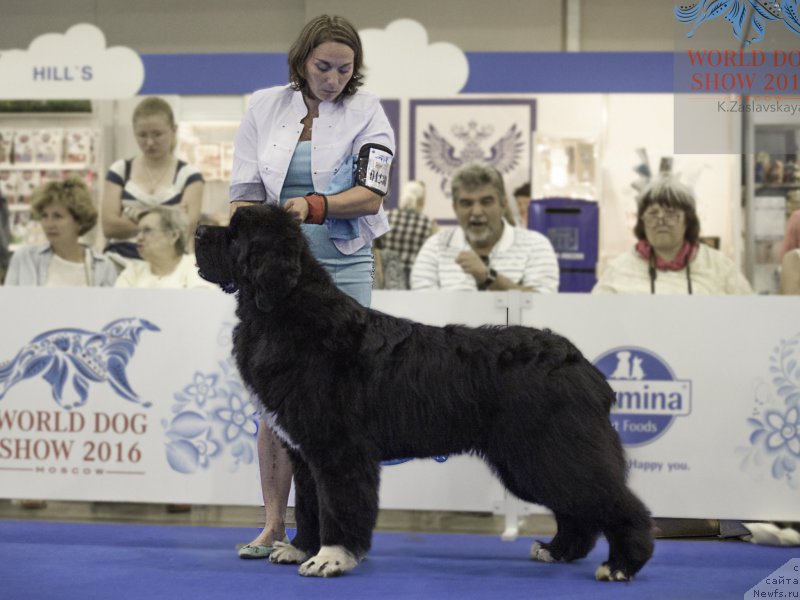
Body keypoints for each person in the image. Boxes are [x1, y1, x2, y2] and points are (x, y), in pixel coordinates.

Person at [227, 14, 395, 559]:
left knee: (335, 407)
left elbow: (371, 195)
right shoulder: (263, 107)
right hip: (276, 278)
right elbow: (244, 194)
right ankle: (275, 526)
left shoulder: (368, 112)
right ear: (302, 61)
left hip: (343, 266)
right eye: (324, 66)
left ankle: (331, 535)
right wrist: (249, 250)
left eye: (345, 69)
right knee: (275, 405)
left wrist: (314, 206)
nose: (333, 78)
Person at [410, 163, 558, 292]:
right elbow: (424, 312)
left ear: (503, 205)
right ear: (455, 208)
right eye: (466, 203)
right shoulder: (434, 248)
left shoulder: (536, 246)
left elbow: (542, 307)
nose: (476, 212)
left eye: (486, 202)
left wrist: (488, 277)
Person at [592, 177, 752, 295]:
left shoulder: (720, 267)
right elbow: (595, 319)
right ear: (642, 221)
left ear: (688, 221)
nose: (661, 221)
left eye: (671, 214)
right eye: (653, 214)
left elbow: (749, 314)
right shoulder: (618, 270)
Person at [102, 97, 204, 262]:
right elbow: (109, 226)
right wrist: (170, 217)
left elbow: (187, 227)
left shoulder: (190, 176)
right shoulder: (120, 170)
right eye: (142, 135)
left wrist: (134, 215)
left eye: (157, 134)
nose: (149, 142)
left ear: (173, 129)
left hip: (170, 266)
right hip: (120, 261)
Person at [5, 179, 117, 287]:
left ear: (79, 221)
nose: (49, 224)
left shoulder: (103, 267)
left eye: (57, 216)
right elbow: (7, 304)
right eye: (44, 216)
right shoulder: (24, 259)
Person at [113, 205, 212, 289]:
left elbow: (201, 306)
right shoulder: (133, 271)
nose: (139, 237)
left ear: (173, 236)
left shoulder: (195, 266)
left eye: (147, 230)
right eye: (138, 231)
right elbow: (118, 308)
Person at [381, 180, 436, 288]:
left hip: (389, 278)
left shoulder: (386, 217)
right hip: (415, 280)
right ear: (420, 201)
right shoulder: (429, 224)